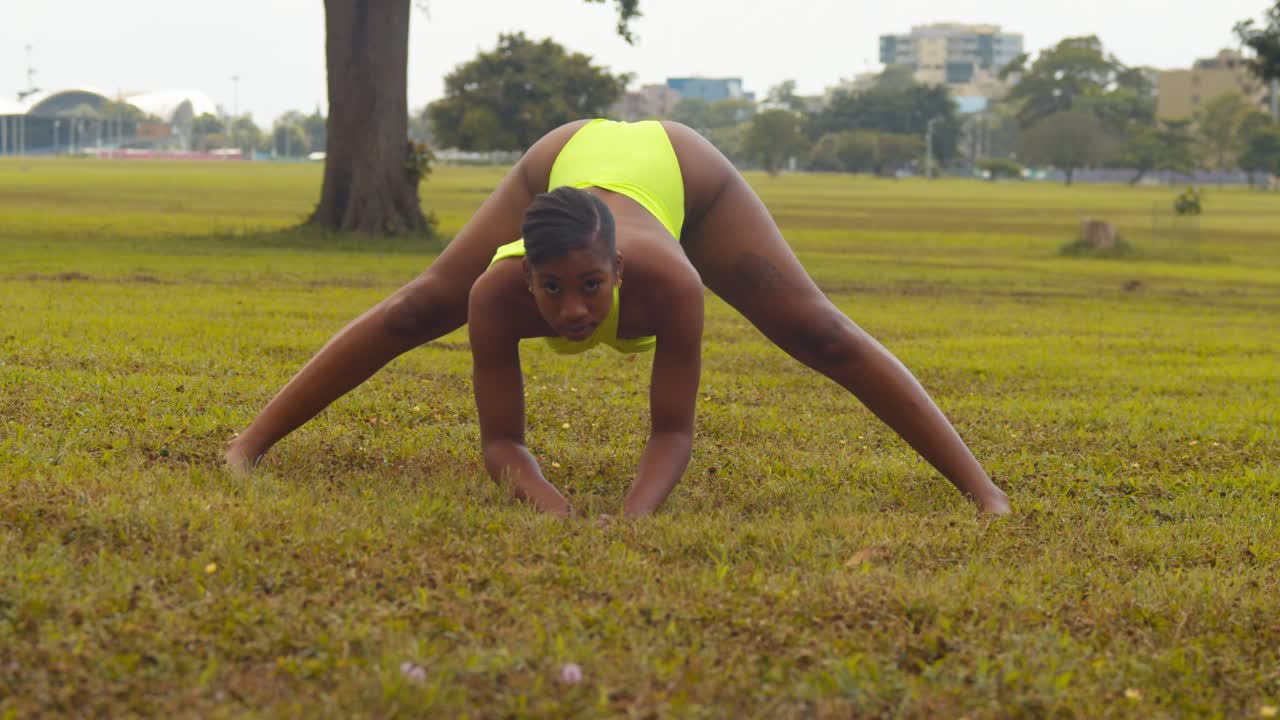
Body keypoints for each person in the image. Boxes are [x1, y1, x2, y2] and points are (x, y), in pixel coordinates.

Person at [226, 118, 1011, 518]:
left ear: (622, 272)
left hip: (684, 172)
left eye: (592, 288)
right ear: (523, 274)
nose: (573, 312)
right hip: (564, 157)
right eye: (552, 289)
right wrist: (552, 505)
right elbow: (500, 443)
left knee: (821, 332)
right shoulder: (494, 294)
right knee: (417, 305)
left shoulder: (673, 283)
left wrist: (632, 518)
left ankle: (987, 494)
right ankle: (245, 446)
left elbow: (673, 431)